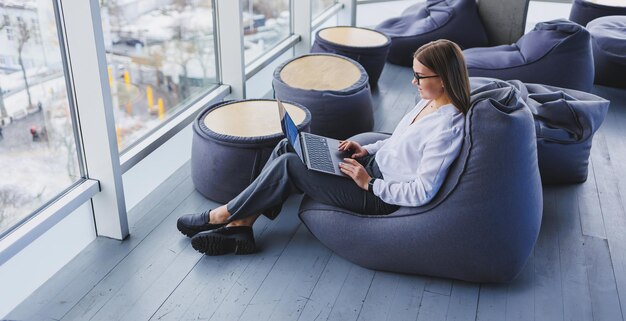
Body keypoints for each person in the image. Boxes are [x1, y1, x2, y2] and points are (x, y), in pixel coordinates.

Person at [177, 39, 471, 256]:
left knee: (290, 166)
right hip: (369, 167)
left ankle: (221, 216)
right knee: (286, 146)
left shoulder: (447, 129)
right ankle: (240, 227)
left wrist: (370, 184)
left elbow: (423, 191)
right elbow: (400, 140)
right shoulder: (429, 103)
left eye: (420, 76)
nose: (413, 80)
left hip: (377, 194)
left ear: (443, 79)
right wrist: (367, 149)